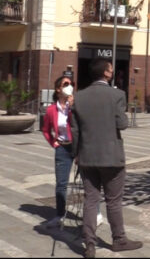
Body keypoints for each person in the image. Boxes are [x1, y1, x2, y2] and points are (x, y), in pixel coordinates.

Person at [72, 58, 142, 258]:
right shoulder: (117, 94)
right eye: (111, 69)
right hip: (112, 157)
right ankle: (119, 240)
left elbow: (75, 131)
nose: (112, 71)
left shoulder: (79, 97)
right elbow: (122, 124)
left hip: (87, 156)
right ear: (106, 73)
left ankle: (89, 244)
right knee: (113, 201)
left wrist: (76, 154)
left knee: (91, 200)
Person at [41, 75, 104, 228]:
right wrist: (54, 143)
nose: (70, 86)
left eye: (72, 84)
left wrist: (74, 106)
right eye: (66, 84)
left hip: (80, 148)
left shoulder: (77, 105)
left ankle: (96, 213)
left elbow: (86, 123)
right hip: (62, 148)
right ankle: (60, 214)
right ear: (58, 89)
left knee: (88, 182)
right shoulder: (51, 110)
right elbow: (46, 130)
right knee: (61, 184)